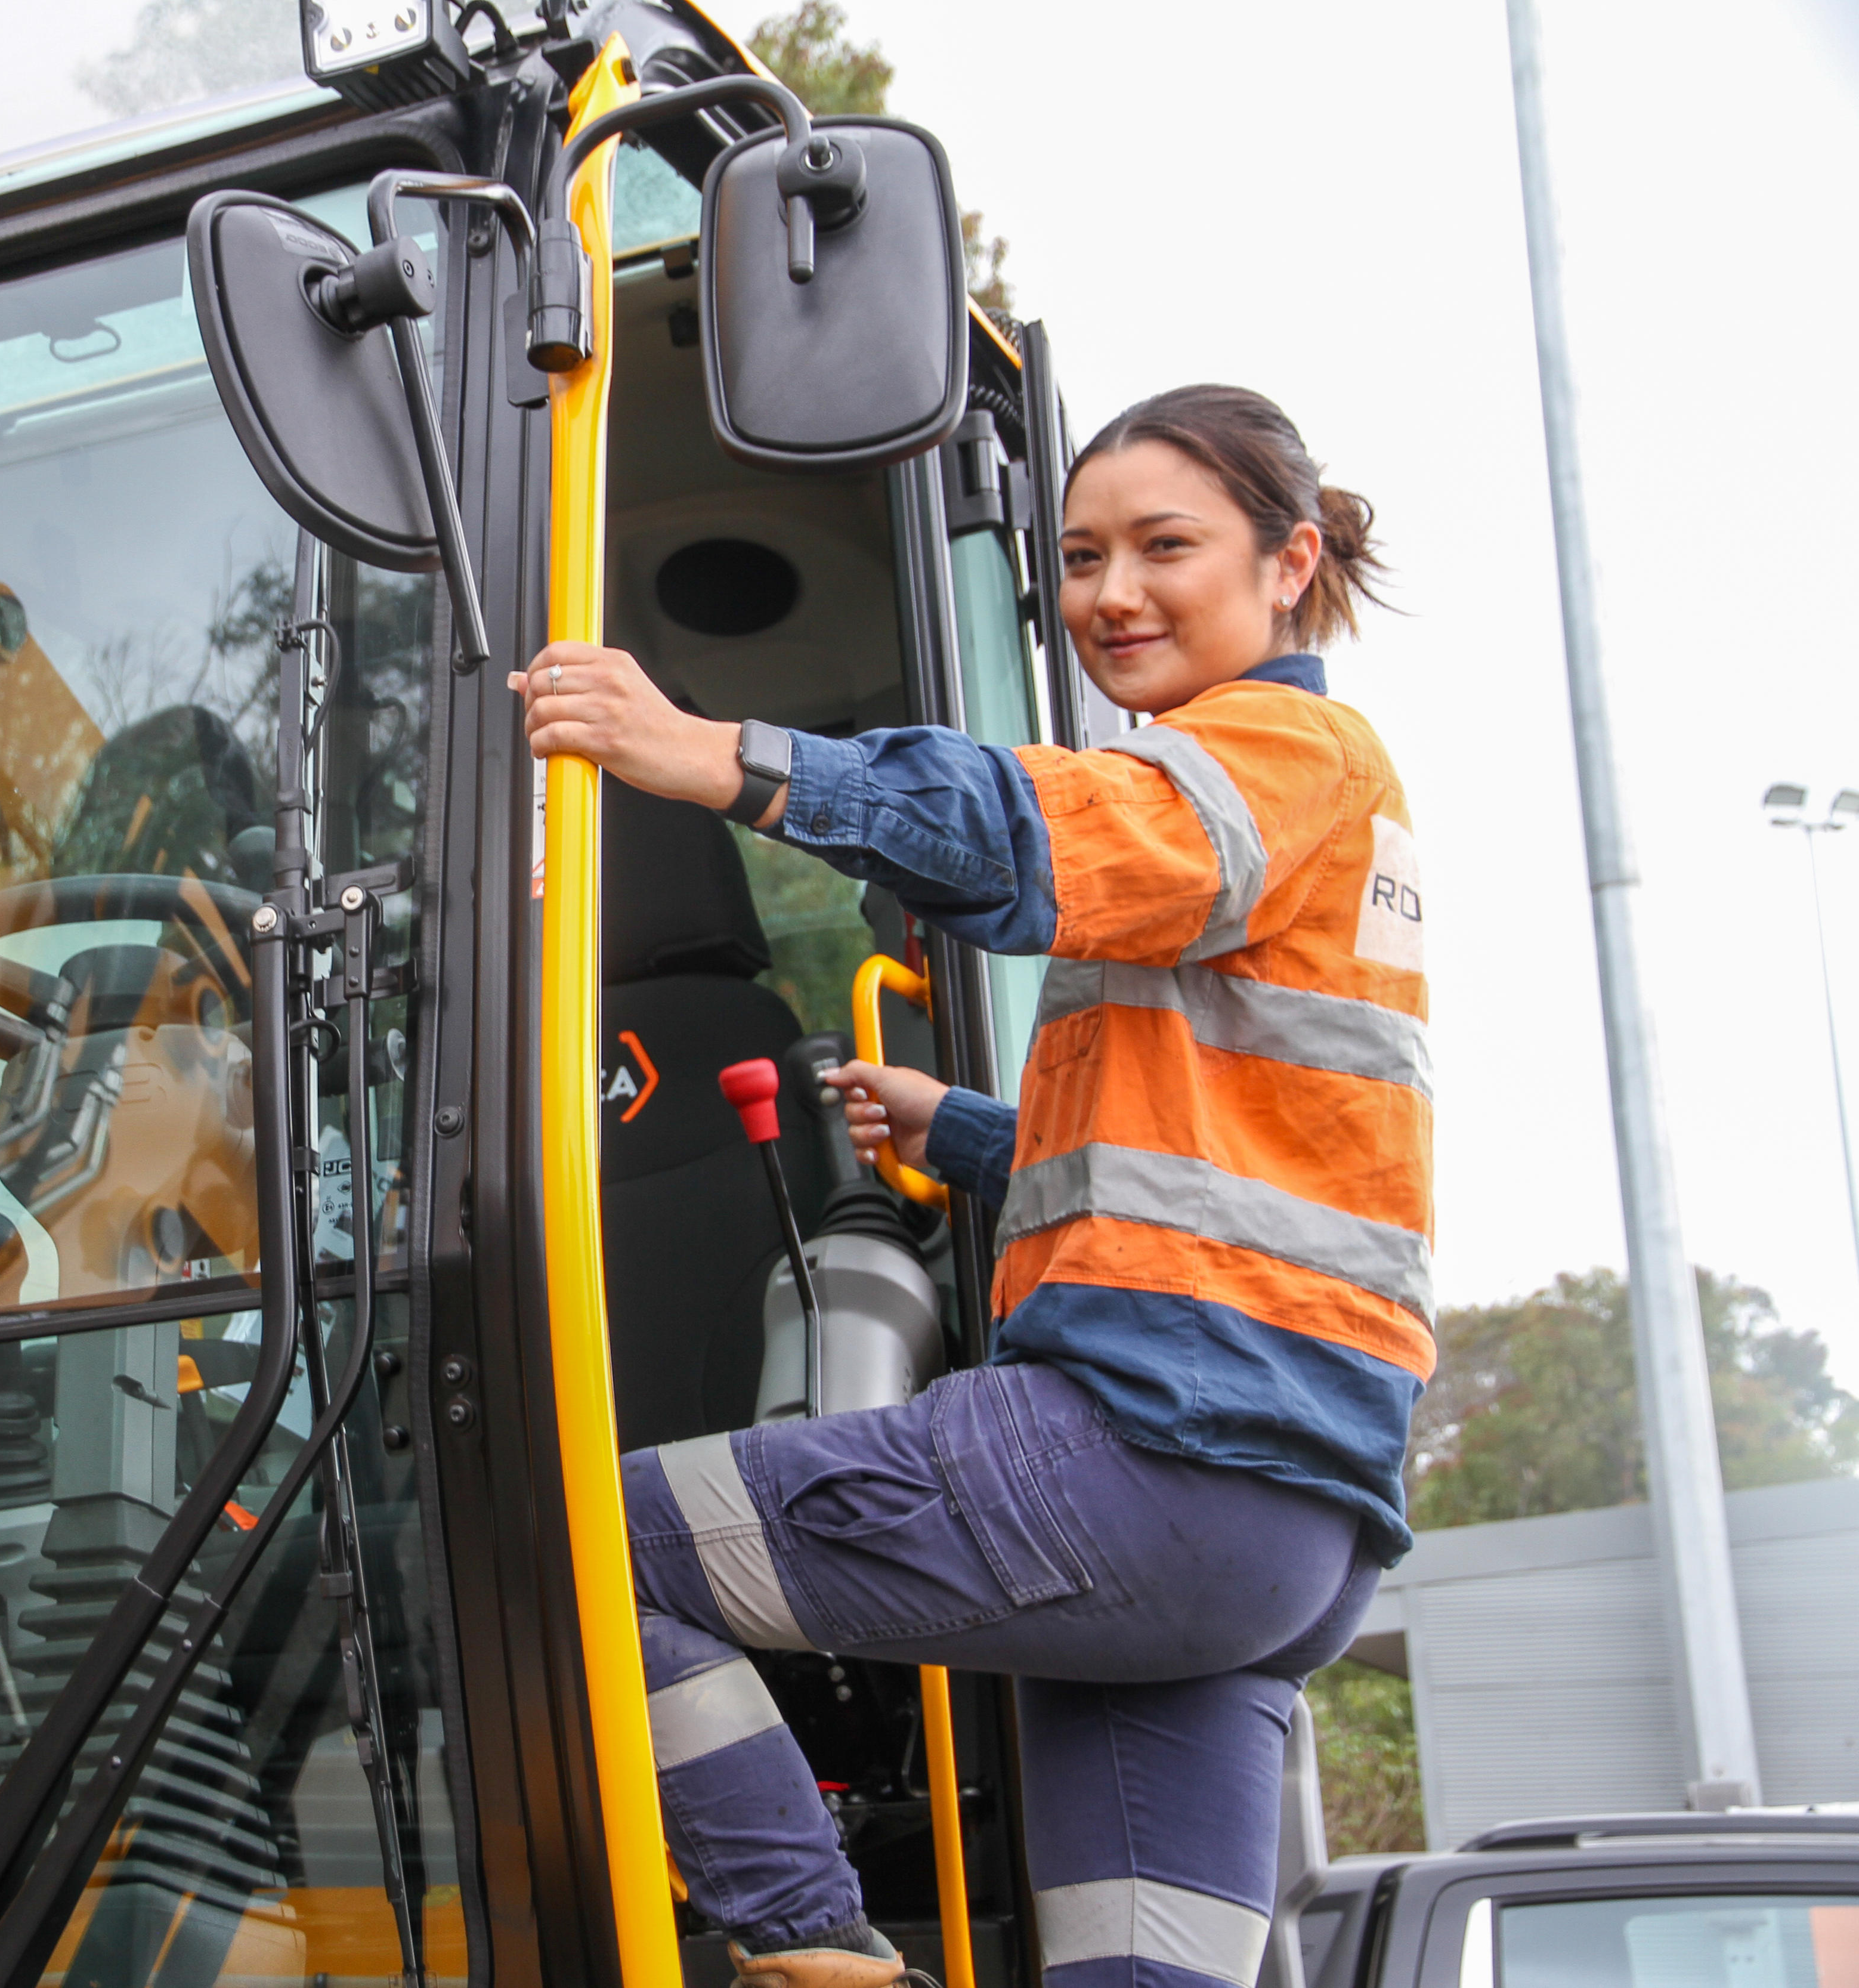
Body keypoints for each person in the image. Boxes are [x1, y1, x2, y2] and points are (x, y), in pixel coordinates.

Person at [511, 384, 1423, 1988]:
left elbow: (1027, 833)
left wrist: (707, 754)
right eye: (1081, 557)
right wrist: (969, 1130)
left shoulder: (1273, 754)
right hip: (1277, 1537)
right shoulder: (1319, 809)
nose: (1112, 594)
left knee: (593, 1541)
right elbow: (1248, 1164)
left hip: (1159, 1460)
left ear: (1289, 566)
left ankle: (816, 1952)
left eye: (1164, 548)